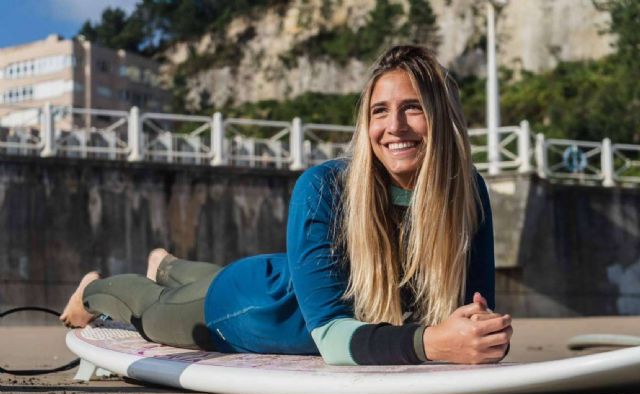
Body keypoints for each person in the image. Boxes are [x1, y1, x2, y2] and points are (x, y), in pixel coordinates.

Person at [61, 45, 512, 365]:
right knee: (152, 311)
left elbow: (475, 313)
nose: (394, 126)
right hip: (255, 309)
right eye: (379, 111)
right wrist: (433, 342)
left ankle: (168, 263)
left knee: (211, 278)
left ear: (442, 116)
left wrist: (482, 335)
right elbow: (334, 340)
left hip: (293, 277)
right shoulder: (324, 188)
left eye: (413, 108)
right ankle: (92, 290)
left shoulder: (465, 192)